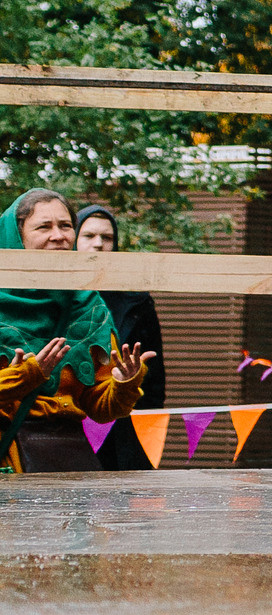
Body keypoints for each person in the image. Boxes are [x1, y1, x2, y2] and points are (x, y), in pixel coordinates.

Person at [0, 189, 150, 473]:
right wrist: (26, 375)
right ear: (15, 236)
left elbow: (102, 410)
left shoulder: (90, 307)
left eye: (66, 225)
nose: (59, 236)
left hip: (67, 465)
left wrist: (125, 383)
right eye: (44, 227)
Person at [73, 206, 165, 410]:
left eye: (107, 237)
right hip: (71, 417)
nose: (98, 244)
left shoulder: (136, 301)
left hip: (125, 416)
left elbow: (154, 373)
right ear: (74, 239)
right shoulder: (57, 294)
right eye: (89, 236)